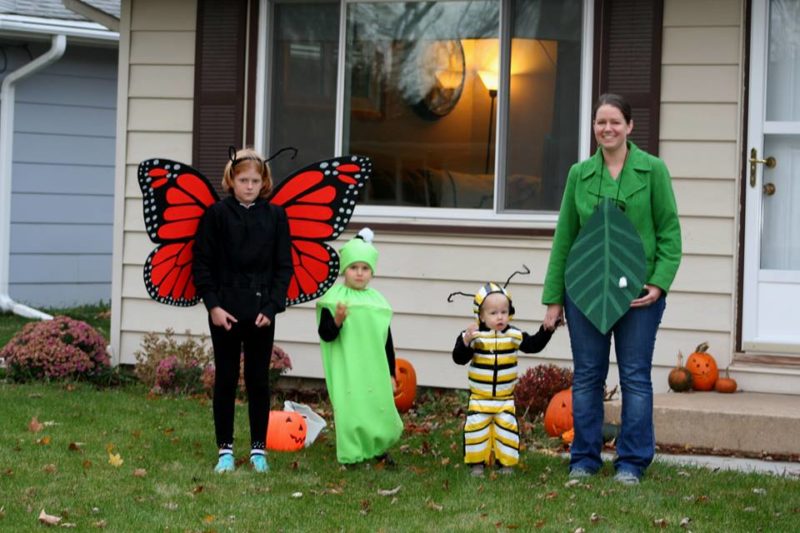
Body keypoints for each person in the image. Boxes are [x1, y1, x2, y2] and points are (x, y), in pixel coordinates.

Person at [541, 93, 682, 485]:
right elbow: (564, 238)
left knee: (636, 376)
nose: (607, 129)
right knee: (587, 376)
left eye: (615, 122)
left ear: (630, 126)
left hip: (640, 294)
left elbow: (670, 232)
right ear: (594, 127)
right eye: (601, 122)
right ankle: (584, 459)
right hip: (585, 290)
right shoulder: (579, 174)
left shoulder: (653, 171)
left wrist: (659, 282)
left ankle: (632, 462)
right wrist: (553, 299)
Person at [192, 147, 293, 474]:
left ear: (264, 182)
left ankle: (258, 449)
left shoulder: (276, 216)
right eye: (242, 179)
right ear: (231, 180)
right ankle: (225, 449)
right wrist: (213, 306)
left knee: (258, 380)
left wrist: (272, 306)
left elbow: (283, 267)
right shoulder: (216, 215)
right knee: (225, 378)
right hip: (225, 313)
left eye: (255, 180)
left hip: (261, 312)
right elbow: (202, 265)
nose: (249, 186)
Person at [316, 228, 403, 465]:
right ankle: (352, 455)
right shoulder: (333, 299)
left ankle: (378, 449)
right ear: (345, 269)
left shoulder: (378, 302)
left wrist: (390, 371)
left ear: (372, 272)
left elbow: (387, 340)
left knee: (377, 406)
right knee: (352, 410)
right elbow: (326, 334)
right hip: (348, 367)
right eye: (354, 267)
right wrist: (337, 321)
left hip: (374, 367)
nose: (359, 273)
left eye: (365, 268)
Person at [452, 281, 554, 477]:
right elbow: (458, 358)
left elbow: (533, 345)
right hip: (479, 398)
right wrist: (465, 342)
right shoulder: (474, 336)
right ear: (480, 315)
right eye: (493, 313)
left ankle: (505, 463)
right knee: (476, 431)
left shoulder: (513, 335)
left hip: (504, 399)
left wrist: (546, 330)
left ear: (510, 312)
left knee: (506, 430)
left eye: (503, 312)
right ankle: (477, 464)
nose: (499, 317)